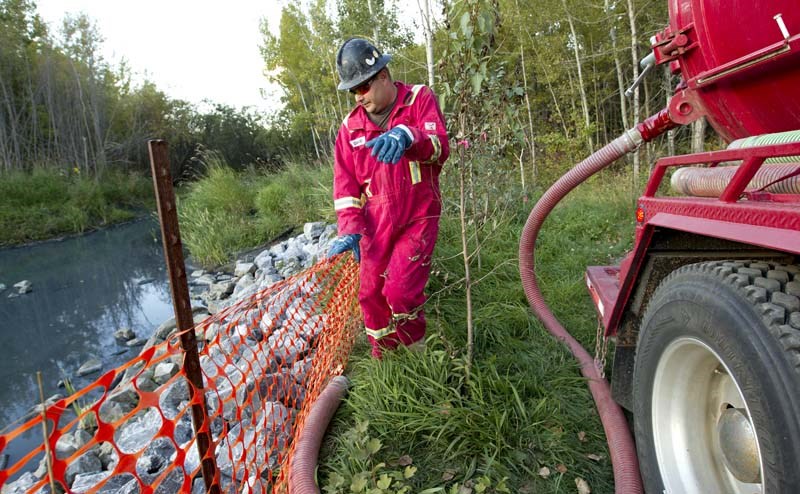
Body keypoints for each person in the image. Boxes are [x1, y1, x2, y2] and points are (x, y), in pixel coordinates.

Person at [327, 37, 450, 359]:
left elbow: (439, 149)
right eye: (353, 91)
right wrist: (350, 228)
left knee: (400, 290)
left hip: (418, 214)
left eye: (363, 88)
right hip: (375, 223)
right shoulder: (349, 127)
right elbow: (345, 185)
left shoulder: (419, 98)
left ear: (383, 75)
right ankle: (386, 358)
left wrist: (410, 136)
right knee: (370, 295)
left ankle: (417, 355)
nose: (358, 97)